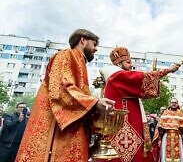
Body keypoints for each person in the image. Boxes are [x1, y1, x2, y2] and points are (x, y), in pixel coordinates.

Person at [15, 29, 115, 162]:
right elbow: (60, 89)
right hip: (55, 136)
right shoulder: (66, 55)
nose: (96, 49)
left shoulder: (79, 61)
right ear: (82, 40)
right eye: (94, 44)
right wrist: (94, 104)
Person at [99, 46, 181, 162]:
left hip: (129, 126)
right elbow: (142, 78)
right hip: (125, 127)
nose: (130, 65)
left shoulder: (118, 79)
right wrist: (168, 70)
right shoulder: (116, 77)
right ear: (118, 64)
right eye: (128, 62)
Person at [152, 98, 183, 162]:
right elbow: (160, 128)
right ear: (170, 104)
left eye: (175, 102)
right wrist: (159, 139)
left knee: (179, 156)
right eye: (172, 102)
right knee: (165, 156)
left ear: (177, 104)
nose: (174, 104)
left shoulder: (181, 114)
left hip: (178, 136)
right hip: (166, 136)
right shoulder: (165, 113)